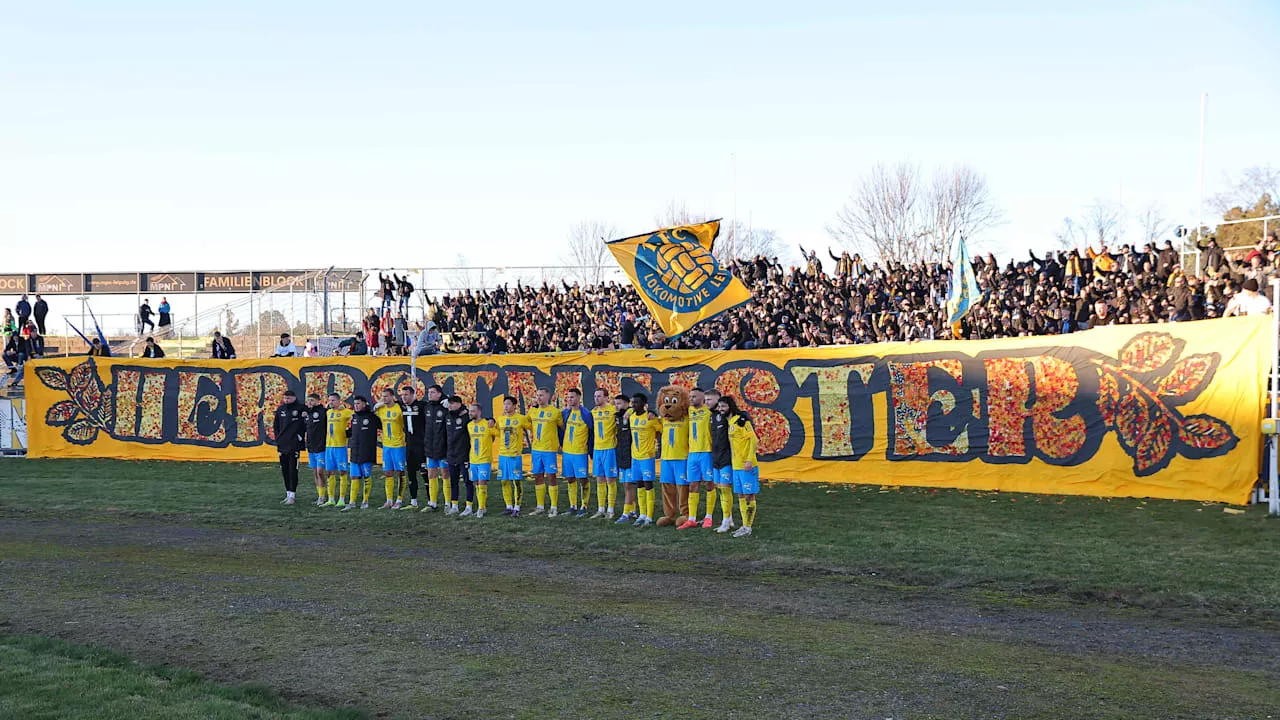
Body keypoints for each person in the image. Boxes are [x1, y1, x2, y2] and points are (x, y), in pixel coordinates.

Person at [679, 388, 717, 530]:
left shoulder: (710, 412)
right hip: (692, 454)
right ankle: (692, 519)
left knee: (709, 484)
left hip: (706, 452)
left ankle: (708, 516)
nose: (692, 399)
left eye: (694, 396)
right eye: (690, 396)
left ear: (702, 398)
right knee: (692, 485)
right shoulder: (688, 411)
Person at [724, 396, 759, 538]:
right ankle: (744, 526)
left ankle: (748, 527)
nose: (720, 409)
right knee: (740, 495)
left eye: (723, 407)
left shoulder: (741, 421)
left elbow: (754, 439)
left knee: (749, 495)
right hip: (736, 466)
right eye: (719, 407)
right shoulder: (730, 422)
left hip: (747, 465)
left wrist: (749, 460)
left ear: (730, 407)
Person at [526, 387, 563, 516]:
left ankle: (554, 506)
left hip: (549, 450)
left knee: (551, 476)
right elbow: (526, 423)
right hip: (536, 449)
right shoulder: (532, 411)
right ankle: (540, 506)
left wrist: (560, 444)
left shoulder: (555, 412)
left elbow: (562, 428)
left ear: (548, 397)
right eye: (537, 395)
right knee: (538, 476)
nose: (539, 397)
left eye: (541, 395)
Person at [626, 392, 660, 528]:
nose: (634, 405)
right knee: (639, 484)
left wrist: (654, 444)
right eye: (633, 402)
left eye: (637, 402)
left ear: (644, 404)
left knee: (648, 484)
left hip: (647, 457)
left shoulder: (650, 418)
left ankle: (650, 516)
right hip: (635, 456)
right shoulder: (631, 416)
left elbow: (660, 429)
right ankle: (642, 514)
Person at [343, 395, 381, 511]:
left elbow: (383, 426)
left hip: (367, 452)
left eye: (358, 403)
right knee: (354, 477)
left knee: (366, 476)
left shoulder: (372, 417)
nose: (356, 406)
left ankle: (365, 501)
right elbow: (350, 433)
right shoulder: (354, 417)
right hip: (355, 452)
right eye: (355, 404)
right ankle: (352, 502)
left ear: (364, 404)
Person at [706, 389, 736, 533]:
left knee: (725, 489)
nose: (707, 402)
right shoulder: (712, 416)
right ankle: (728, 518)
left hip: (727, 458)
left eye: (709, 399)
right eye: (705, 399)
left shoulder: (727, 415)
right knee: (720, 489)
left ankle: (725, 521)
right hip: (715, 457)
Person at [373, 388, 408, 509]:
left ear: (393, 397)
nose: (384, 399)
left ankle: (399, 500)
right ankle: (388, 500)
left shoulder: (399, 409)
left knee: (400, 472)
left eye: (386, 396)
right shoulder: (381, 409)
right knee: (388, 472)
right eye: (382, 396)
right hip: (386, 445)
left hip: (398, 445)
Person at [561, 388, 593, 517]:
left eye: (572, 397)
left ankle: (584, 506)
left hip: (580, 452)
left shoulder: (586, 414)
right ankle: (572, 506)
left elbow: (592, 431)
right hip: (567, 452)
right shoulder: (565, 413)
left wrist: (590, 449)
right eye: (568, 397)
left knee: (582, 479)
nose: (570, 400)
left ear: (579, 398)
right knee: (570, 478)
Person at [271, 389, 307, 505]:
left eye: (289, 398)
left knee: (293, 470)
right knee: (284, 470)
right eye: (285, 398)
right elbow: (276, 426)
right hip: (282, 444)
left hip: (294, 444)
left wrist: (300, 437)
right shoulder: (281, 409)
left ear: (294, 398)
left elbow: (307, 423)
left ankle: (293, 495)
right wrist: (278, 438)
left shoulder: (301, 408)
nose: (287, 400)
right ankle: (287, 494)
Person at [495, 395, 529, 517]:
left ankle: (517, 507)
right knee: (504, 481)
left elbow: (531, 426)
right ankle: (508, 506)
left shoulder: (521, 418)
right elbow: (495, 431)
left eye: (508, 404)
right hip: (502, 455)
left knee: (517, 481)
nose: (506, 406)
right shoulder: (500, 419)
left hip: (515, 455)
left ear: (515, 406)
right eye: (504, 404)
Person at [589, 388, 619, 519]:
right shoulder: (593, 412)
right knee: (599, 479)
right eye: (595, 396)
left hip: (610, 448)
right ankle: (601, 509)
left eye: (599, 396)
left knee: (610, 479)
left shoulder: (613, 410)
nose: (596, 399)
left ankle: (610, 509)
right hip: (597, 449)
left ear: (607, 397)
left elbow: (628, 411)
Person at [398, 384, 429, 510]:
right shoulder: (401, 406)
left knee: (424, 473)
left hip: (421, 444)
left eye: (406, 394)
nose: (404, 397)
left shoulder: (422, 406)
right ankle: (413, 501)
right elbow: (388, 401)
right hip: (409, 444)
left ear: (412, 395)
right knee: (410, 473)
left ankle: (430, 501)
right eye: (402, 395)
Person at [421, 384, 449, 512]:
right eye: (429, 392)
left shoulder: (445, 406)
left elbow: (461, 409)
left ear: (439, 394)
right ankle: (432, 503)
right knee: (431, 474)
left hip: (443, 448)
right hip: (430, 447)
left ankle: (448, 503)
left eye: (432, 392)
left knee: (445, 474)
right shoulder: (427, 407)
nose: (429, 394)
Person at [444, 395, 474, 515]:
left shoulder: (466, 416)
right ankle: (454, 505)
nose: (450, 406)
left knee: (468, 481)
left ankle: (469, 506)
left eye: (452, 403)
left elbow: (478, 419)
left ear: (459, 404)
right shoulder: (448, 416)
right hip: (451, 454)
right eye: (449, 403)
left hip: (464, 454)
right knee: (453, 481)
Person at [467, 403, 498, 518]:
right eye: (470, 411)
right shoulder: (469, 425)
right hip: (473, 459)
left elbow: (497, 433)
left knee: (482, 482)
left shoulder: (487, 424)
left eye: (473, 411)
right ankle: (483, 506)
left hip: (484, 459)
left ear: (479, 412)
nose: (470, 413)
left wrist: (493, 422)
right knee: (475, 483)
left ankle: (481, 508)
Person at [323, 393, 354, 508]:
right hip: (329, 446)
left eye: (333, 400)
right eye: (330, 400)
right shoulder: (328, 412)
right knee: (330, 472)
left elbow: (356, 417)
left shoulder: (345, 412)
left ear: (339, 401)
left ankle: (341, 499)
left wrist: (349, 431)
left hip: (341, 447)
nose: (331, 402)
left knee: (342, 472)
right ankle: (331, 499)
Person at [304, 393, 329, 506]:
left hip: (321, 446)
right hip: (311, 447)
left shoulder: (323, 412)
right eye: (308, 400)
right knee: (315, 473)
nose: (310, 402)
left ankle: (324, 495)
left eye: (312, 400)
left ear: (318, 401)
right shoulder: (308, 413)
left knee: (320, 472)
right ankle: (320, 496)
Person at [612, 394, 633, 522]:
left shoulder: (632, 414)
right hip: (621, 454)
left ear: (627, 403)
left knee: (628, 484)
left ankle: (625, 514)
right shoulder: (617, 417)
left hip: (631, 455)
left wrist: (630, 410)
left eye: (619, 403)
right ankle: (633, 510)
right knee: (626, 485)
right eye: (615, 404)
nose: (617, 406)